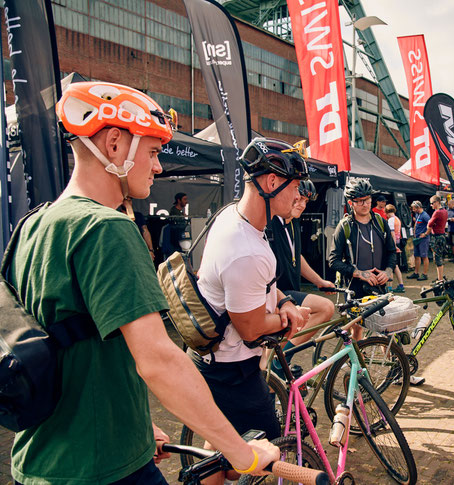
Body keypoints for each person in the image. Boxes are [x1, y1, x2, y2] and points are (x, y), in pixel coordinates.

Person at [5, 82, 278, 485]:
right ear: (114, 144)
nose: (158, 167)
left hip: (44, 459)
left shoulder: (33, 224)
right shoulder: (106, 228)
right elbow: (159, 360)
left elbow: (72, 347)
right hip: (103, 471)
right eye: (152, 152)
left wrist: (133, 425)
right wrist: (240, 452)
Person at [194, 137, 312, 483]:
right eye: (295, 187)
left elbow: (263, 286)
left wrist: (285, 301)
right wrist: (289, 318)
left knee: (218, 438)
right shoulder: (245, 247)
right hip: (232, 370)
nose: (298, 194)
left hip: (213, 359)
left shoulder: (239, 218)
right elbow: (249, 328)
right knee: (266, 451)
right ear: (272, 182)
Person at [267, 179, 336, 364]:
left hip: (289, 292)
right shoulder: (271, 222)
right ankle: (281, 359)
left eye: (306, 201)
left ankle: (280, 361)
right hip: (276, 294)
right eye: (298, 199)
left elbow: (297, 256)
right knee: (326, 308)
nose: (302, 205)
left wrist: (319, 281)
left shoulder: (293, 223)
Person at [328, 179, 397, 299]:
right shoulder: (345, 226)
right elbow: (333, 261)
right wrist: (359, 274)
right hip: (354, 291)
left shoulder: (380, 222)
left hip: (379, 288)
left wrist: (388, 271)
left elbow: (392, 251)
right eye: (360, 201)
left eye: (367, 199)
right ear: (351, 203)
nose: (365, 204)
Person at [425, 195, 448, 281]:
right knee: (440, 257)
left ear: (437, 202)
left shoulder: (437, 212)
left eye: (432, 203)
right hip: (442, 235)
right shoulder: (445, 211)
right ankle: (440, 277)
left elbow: (429, 224)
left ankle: (440, 279)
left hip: (437, 236)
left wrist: (429, 227)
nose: (431, 205)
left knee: (437, 258)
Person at [384, 204, 406, 293]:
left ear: (387, 212)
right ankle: (401, 285)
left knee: (391, 265)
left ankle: (389, 288)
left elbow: (392, 233)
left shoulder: (390, 220)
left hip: (393, 244)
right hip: (398, 242)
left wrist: (393, 246)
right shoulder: (397, 219)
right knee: (395, 266)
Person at [407, 200, 430, 281]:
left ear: (418, 207)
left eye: (414, 208)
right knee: (416, 255)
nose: (413, 210)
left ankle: (425, 274)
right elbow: (417, 223)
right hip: (417, 238)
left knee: (424, 256)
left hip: (423, 239)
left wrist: (426, 234)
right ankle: (416, 273)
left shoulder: (425, 215)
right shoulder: (417, 214)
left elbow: (431, 225)